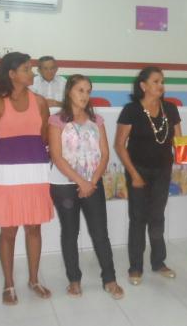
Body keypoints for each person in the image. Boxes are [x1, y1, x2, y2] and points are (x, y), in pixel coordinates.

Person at [0, 52, 53, 305]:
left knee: (34, 228)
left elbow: (44, 137)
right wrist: (9, 160)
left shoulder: (41, 102)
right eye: (26, 69)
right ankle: (9, 283)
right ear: (11, 74)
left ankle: (34, 279)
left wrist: (27, 159)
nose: (32, 73)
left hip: (35, 173)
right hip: (8, 175)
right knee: (9, 231)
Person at [48, 74, 124, 300]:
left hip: (93, 183)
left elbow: (105, 154)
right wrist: (80, 182)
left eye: (88, 91)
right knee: (70, 233)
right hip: (64, 184)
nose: (85, 95)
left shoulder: (97, 120)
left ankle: (109, 279)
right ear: (69, 91)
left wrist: (91, 182)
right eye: (80, 90)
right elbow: (57, 157)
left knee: (100, 232)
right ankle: (74, 280)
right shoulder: (56, 120)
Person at [114, 66, 182, 285]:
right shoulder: (131, 109)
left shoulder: (170, 109)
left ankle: (158, 262)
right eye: (155, 81)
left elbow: (180, 143)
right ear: (143, 86)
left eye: (162, 81)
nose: (161, 85)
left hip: (162, 171)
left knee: (157, 217)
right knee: (138, 219)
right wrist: (133, 174)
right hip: (138, 171)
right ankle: (135, 267)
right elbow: (119, 145)